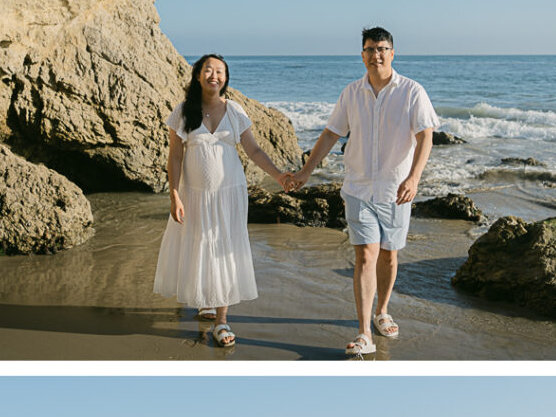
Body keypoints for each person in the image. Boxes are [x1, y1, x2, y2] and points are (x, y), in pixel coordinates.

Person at [290, 28, 440, 356]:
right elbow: (331, 134)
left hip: (396, 187)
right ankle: (363, 334)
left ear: (393, 52)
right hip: (358, 187)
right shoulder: (351, 93)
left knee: (389, 253)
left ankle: (382, 311)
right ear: (362, 55)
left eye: (382, 49)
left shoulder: (412, 91)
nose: (376, 55)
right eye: (370, 49)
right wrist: (305, 172)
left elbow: (425, 136)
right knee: (364, 255)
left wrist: (414, 178)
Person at [154, 54, 293, 348]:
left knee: (223, 248)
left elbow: (253, 151)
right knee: (200, 243)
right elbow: (175, 157)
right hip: (194, 194)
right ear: (197, 75)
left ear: (226, 78)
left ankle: (221, 320)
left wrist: (279, 176)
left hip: (230, 192)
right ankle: (206, 298)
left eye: (220, 71)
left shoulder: (235, 111)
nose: (214, 75)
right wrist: (174, 195)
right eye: (208, 70)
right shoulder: (182, 112)